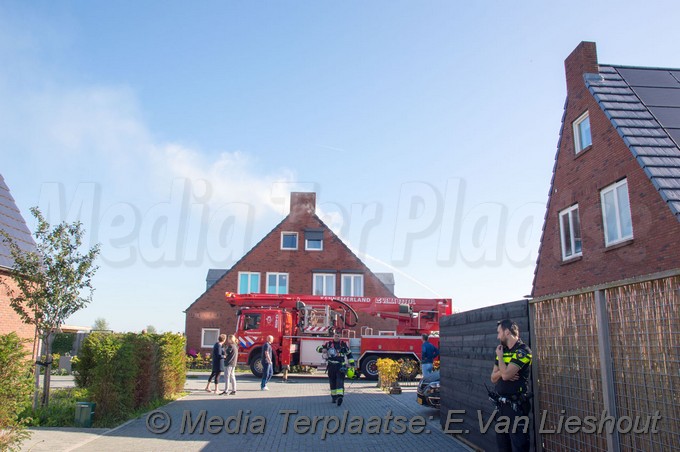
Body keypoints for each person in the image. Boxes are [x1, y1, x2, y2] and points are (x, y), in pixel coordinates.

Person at [490, 319, 533, 452]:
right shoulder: (502, 351)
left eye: (499, 333)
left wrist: (502, 363)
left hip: (516, 409)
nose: (498, 336)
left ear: (507, 332)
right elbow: (493, 377)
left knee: (519, 446)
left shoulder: (523, 351)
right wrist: (503, 372)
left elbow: (506, 376)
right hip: (502, 407)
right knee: (503, 446)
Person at [317, 331, 355, 406]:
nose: (336, 337)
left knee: (340, 381)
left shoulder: (343, 345)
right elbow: (318, 348)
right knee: (332, 382)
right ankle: (334, 397)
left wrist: (352, 364)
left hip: (340, 366)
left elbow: (349, 354)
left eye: (338, 336)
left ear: (340, 337)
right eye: (335, 335)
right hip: (331, 366)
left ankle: (340, 396)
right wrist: (322, 350)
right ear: (333, 336)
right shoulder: (328, 344)